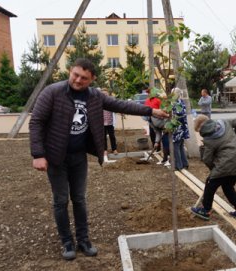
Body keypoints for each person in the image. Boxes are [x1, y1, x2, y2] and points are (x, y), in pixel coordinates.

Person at [29, 58, 168, 260]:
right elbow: (36, 122)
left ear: (92, 79)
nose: (78, 80)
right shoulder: (53, 92)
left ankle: (83, 240)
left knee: (79, 199)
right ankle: (67, 242)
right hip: (55, 156)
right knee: (60, 200)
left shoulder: (95, 96)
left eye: (84, 78)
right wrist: (38, 154)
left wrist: (150, 110)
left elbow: (122, 105)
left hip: (78, 156)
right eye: (75, 75)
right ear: (70, 71)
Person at [190, 114, 236, 221]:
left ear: (200, 127)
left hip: (226, 164)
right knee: (228, 187)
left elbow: (207, 159)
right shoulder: (224, 122)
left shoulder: (208, 139)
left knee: (210, 184)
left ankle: (205, 210)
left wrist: (213, 170)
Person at [171, 88, 189, 170]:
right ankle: (185, 163)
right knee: (181, 146)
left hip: (178, 128)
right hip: (183, 127)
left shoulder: (175, 103)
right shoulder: (181, 101)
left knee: (176, 147)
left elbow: (178, 114)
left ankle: (179, 165)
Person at [100, 88, 118, 163]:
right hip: (102, 123)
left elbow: (116, 108)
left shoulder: (110, 101)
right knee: (103, 138)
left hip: (110, 122)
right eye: (103, 94)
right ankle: (104, 150)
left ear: (108, 94)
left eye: (106, 94)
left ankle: (114, 149)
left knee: (112, 136)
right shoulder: (99, 102)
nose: (105, 95)